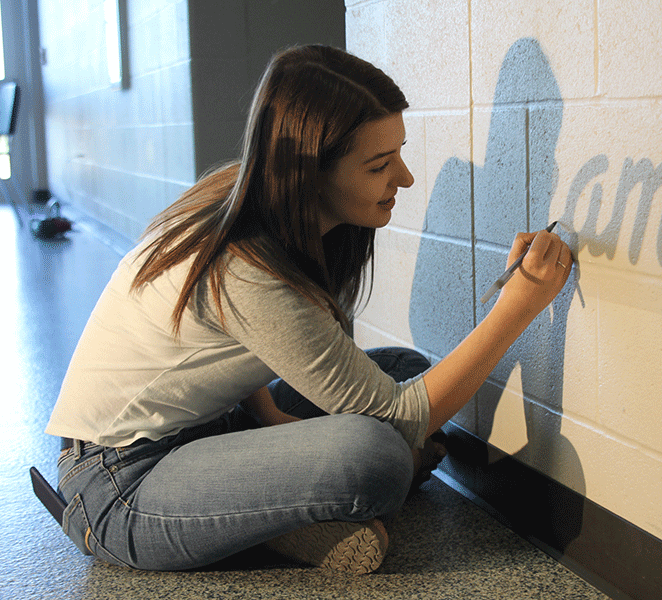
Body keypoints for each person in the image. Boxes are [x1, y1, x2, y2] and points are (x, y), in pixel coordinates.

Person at [45, 45, 573, 574]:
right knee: (378, 454)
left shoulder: (256, 196)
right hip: (120, 485)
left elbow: (229, 342)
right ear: (309, 174)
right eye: (379, 165)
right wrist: (518, 305)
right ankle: (282, 520)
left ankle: (283, 519)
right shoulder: (247, 264)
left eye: (399, 153)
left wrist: (271, 418)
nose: (406, 178)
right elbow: (402, 419)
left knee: (405, 369)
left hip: (212, 425)